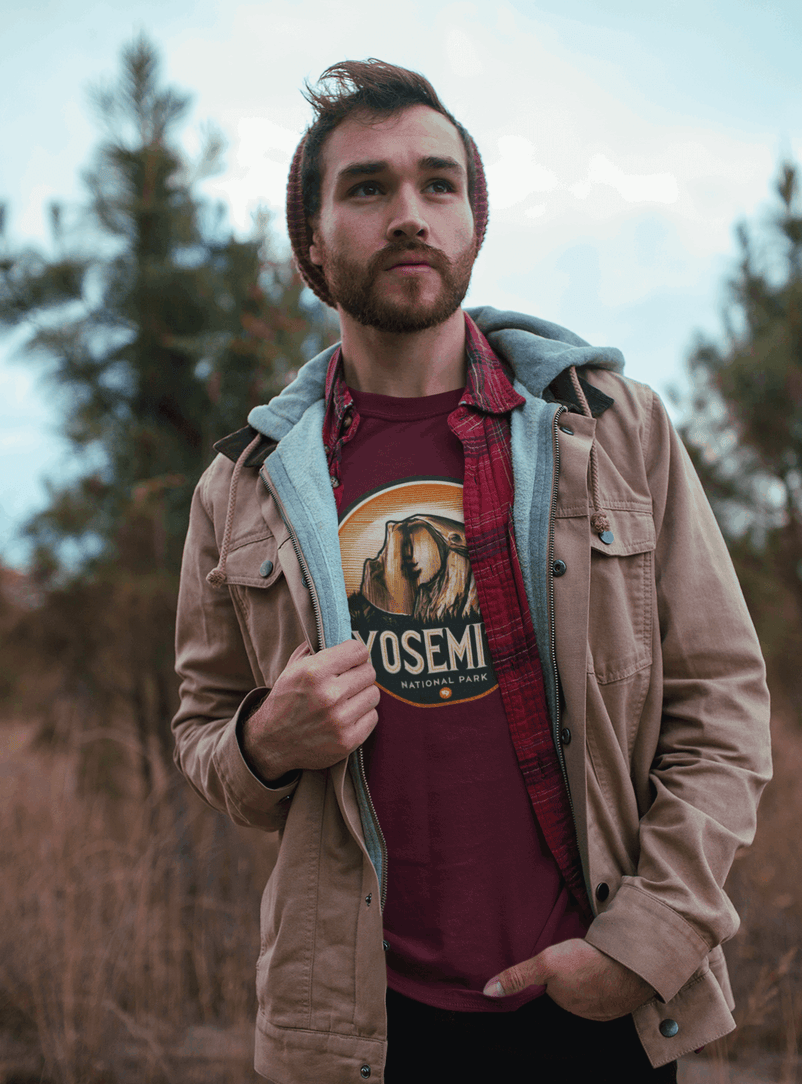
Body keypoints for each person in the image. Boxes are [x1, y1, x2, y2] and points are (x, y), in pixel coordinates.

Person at [172, 59, 771, 1084]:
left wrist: (644, 942)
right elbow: (201, 728)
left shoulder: (610, 428)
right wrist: (265, 742)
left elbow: (721, 704)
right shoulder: (245, 485)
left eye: (437, 184)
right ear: (312, 240)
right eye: (367, 187)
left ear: (472, 220)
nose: (409, 213)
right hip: (363, 1028)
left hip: (592, 1004)